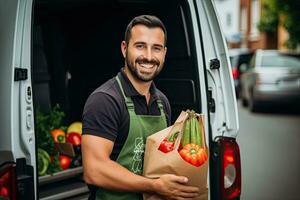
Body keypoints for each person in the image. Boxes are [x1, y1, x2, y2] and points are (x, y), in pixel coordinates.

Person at [82, 15, 200, 200]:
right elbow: (94, 170)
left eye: (157, 48)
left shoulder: (162, 102)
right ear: (124, 48)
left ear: (164, 53)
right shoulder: (104, 100)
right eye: (140, 46)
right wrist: (155, 186)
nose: (149, 56)